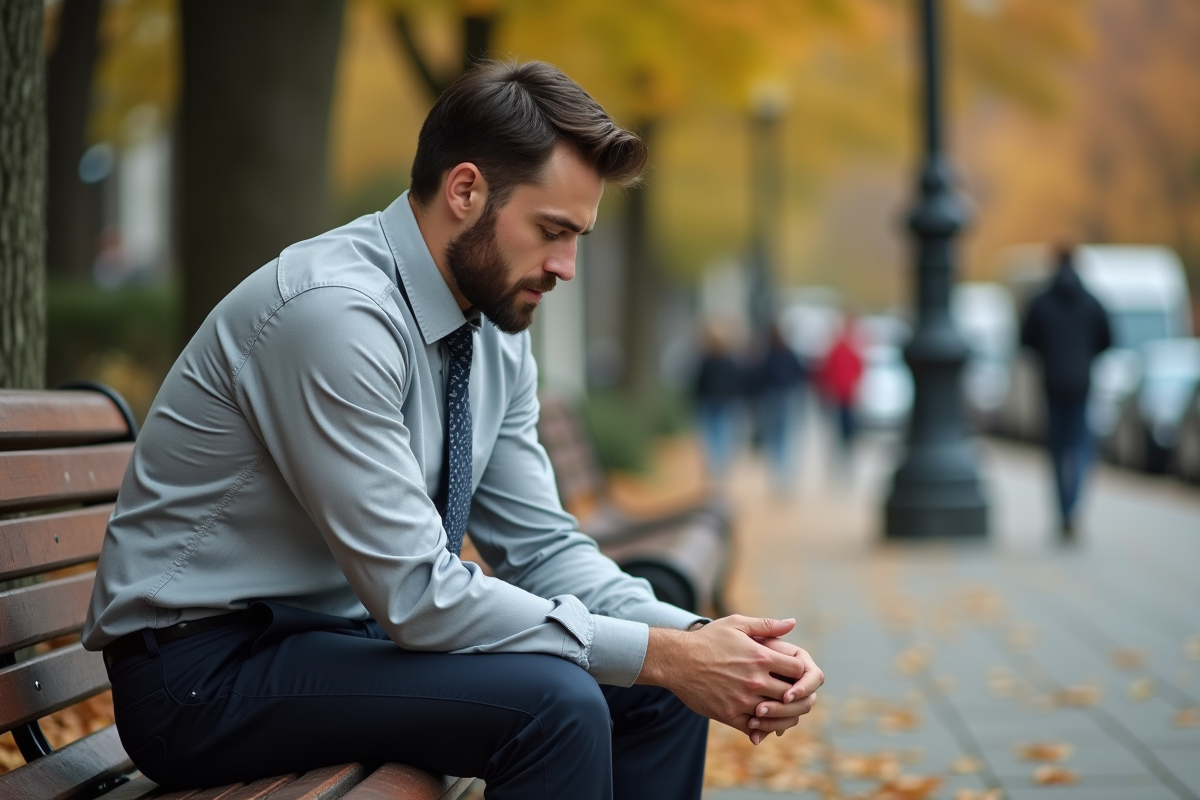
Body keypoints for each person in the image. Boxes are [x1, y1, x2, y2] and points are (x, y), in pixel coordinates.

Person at [82, 61, 823, 800]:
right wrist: (661, 655)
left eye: (579, 237)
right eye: (551, 230)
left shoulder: (494, 323)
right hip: (201, 675)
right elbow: (415, 594)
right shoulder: (334, 315)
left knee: (653, 690)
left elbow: (543, 550)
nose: (565, 266)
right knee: (558, 705)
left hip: (333, 640)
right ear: (465, 191)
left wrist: (703, 645)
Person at [1020, 245, 1112, 540]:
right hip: (1082, 384)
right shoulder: (1091, 302)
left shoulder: (1041, 302)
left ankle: (1063, 511)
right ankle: (1074, 507)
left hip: (1052, 384)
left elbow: (1026, 341)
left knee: (1057, 451)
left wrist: (1049, 357)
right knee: (1082, 448)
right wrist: (1085, 359)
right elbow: (1108, 339)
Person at [751, 323, 807, 492]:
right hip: (787, 397)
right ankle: (784, 474)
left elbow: (759, 377)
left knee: (775, 438)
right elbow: (800, 374)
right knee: (785, 437)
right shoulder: (789, 353)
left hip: (772, 398)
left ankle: (778, 474)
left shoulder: (767, 354)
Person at [692, 322, 745, 482]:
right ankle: (720, 464)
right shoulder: (727, 361)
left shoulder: (706, 360)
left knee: (711, 434)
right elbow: (735, 381)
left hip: (709, 401)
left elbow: (698, 382)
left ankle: (714, 464)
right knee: (722, 433)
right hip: (723, 401)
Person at [817, 316, 864, 465]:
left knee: (847, 430)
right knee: (838, 430)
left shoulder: (852, 346)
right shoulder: (839, 346)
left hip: (848, 395)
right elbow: (827, 370)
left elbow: (859, 368)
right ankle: (839, 459)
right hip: (838, 395)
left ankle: (845, 458)